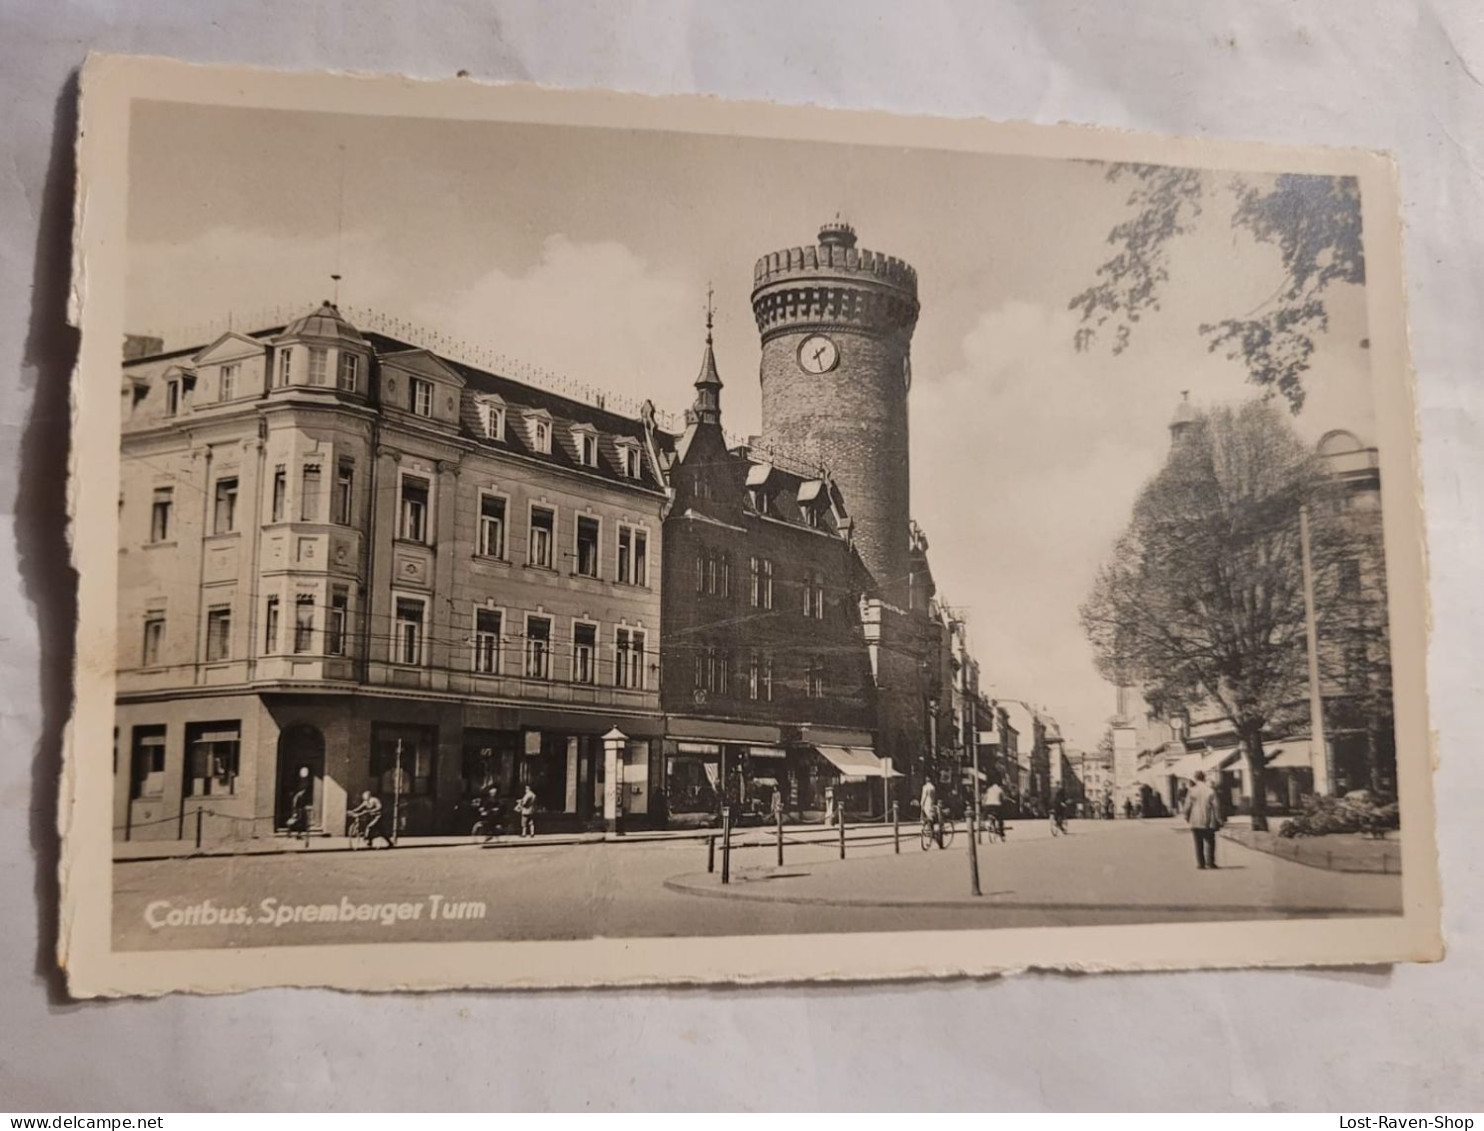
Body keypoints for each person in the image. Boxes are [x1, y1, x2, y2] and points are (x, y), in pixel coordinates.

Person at [1181, 770, 1223, 869]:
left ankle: (1201, 863)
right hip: (1208, 819)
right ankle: (1210, 862)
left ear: (1195, 778)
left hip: (1195, 819)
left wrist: (1186, 815)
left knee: (1198, 842)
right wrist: (1219, 818)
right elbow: (1216, 806)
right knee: (1210, 841)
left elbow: (1187, 805)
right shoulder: (1210, 790)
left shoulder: (1192, 790)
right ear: (1204, 778)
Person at [287, 767, 312, 845]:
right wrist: (296, 808)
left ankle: (297, 833)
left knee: (299, 820)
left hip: (300, 806)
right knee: (296, 819)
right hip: (298, 807)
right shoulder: (298, 793)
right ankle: (290, 830)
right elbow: (296, 801)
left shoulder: (302, 785)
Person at [920, 777, 942, 847]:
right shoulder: (933, 787)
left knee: (928, 819)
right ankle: (934, 834)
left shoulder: (925, 787)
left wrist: (921, 804)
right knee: (931, 819)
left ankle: (932, 835)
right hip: (931, 804)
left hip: (926, 804)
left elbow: (924, 796)